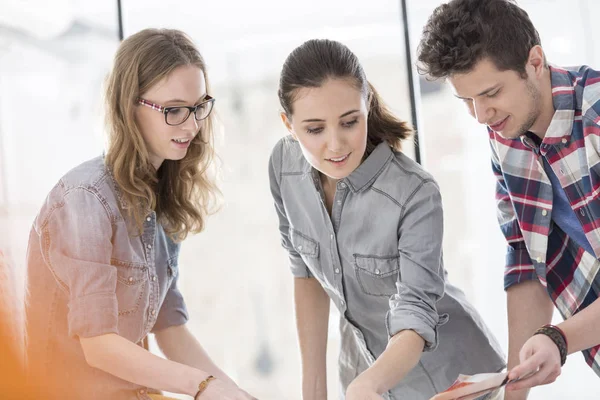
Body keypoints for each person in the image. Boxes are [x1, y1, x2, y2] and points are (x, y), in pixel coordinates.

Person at [268, 38, 506, 400]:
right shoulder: (284, 168)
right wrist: (313, 392)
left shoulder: (414, 192)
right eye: (315, 129)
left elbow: (415, 311)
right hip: (361, 372)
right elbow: (306, 274)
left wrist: (369, 384)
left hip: (447, 378)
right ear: (288, 123)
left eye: (350, 122)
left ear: (367, 106)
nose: (335, 144)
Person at [25, 28, 255, 400]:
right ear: (130, 106)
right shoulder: (85, 199)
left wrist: (234, 392)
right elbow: (98, 345)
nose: (193, 124)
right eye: (174, 110)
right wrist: (202, 387)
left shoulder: (160, 199)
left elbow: (171, 331)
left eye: (198, 106)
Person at [417, 0, 600, 398]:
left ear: (535, 61)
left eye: (491, 92)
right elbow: (526, 258)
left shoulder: (596, 115)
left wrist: (559, 337)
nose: (481, 115)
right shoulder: (505, 134)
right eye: (466, 100)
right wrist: (511, 391)